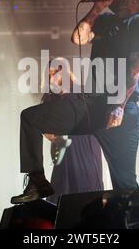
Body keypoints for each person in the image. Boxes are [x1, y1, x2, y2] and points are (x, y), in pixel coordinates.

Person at [11, 0, 139, 204]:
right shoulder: (107, 21)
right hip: (90, 104)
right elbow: (79, 38)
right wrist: (97, 8)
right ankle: (37, 182)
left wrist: (118, 105)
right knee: (31, 118)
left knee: (125, 183)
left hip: (121, 109)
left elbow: (137, 66)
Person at [41, 61, 104, 204]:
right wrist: (55, 138)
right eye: (49, 76)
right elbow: (44, 129)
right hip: (65, 154)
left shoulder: (83, 93)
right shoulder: (50, 99)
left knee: (87, 198)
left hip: (86, 152)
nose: (52, 80)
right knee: (60, 198)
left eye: (54, 74)